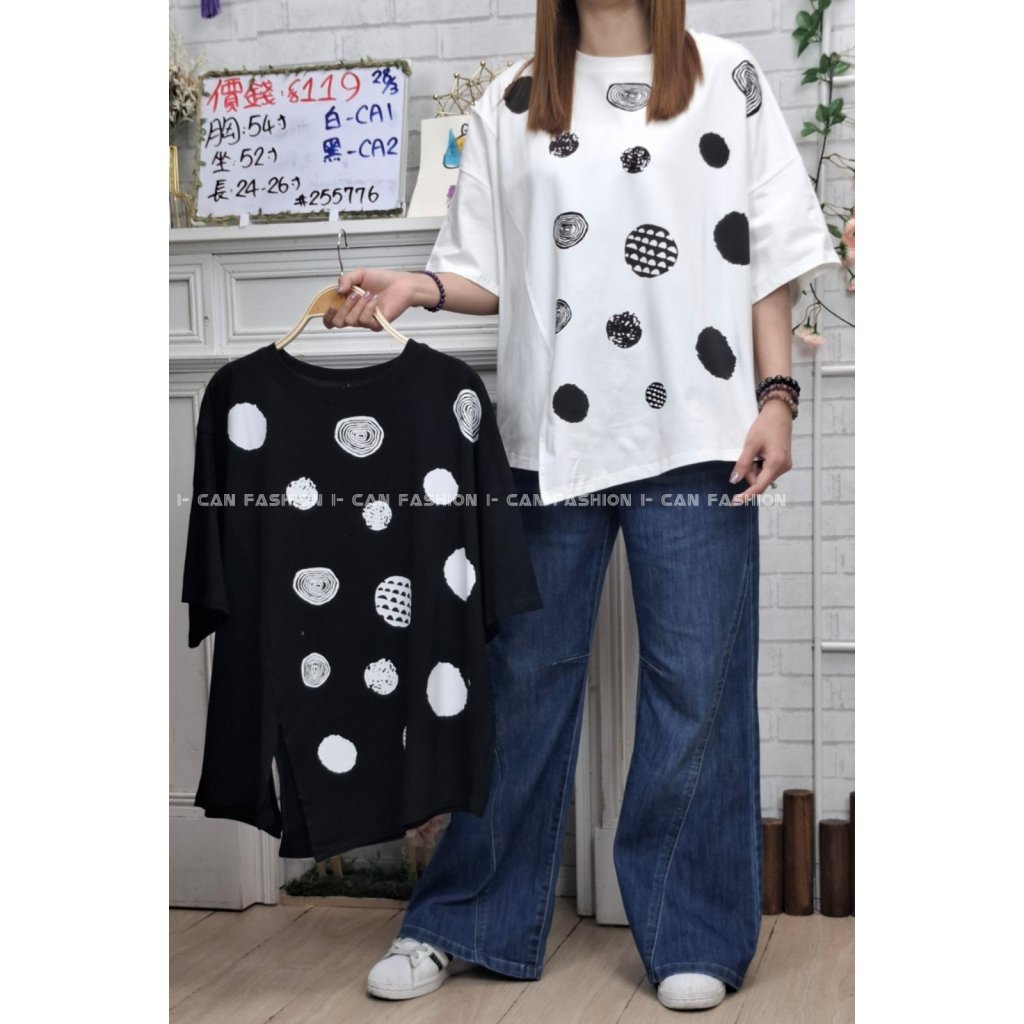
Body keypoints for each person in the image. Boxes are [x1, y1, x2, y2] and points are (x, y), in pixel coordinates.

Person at [324, 0, 839, 1012]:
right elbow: (484, 270)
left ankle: (695, 930)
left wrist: (777, 396)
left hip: (698, 432)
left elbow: (768, 249)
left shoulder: (725, 77)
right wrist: (417, 287)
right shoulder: (510, 103)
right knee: (520, 684)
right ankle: (465, 916)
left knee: (696, 689)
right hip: (549, 441)